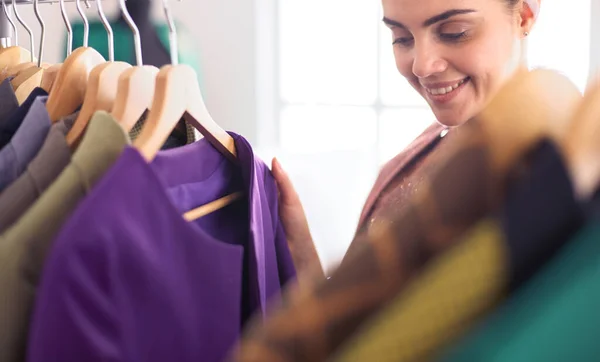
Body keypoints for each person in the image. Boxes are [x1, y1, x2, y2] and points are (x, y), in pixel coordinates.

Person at [272, 0, 541, 277]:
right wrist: (301, 254)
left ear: (523, 16)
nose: (422, 66)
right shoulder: (428, 144)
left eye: (454, 32)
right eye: (401, 38)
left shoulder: (543, 174)